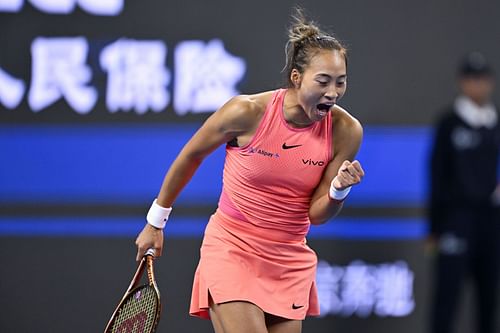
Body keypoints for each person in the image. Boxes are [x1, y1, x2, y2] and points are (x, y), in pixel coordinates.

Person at [135, 8, 364, 333]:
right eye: (323, 81)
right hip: (233, 247)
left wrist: (338, 190)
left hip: (288, 258)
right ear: (297, 79)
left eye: (340, 82)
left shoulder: (346, 130)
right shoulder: (246, 112)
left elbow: (316, 214)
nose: (333, 92)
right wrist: (155, 222)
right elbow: (191, 156)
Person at [428, 51, 500, 333]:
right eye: (472, 79)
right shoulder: (449, 123)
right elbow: (436, 176)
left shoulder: (495, 124)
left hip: (490, 222)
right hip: (455, 221)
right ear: (462, 82)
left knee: (488, 299)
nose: (478, 85)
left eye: (482, 79)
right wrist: (434, 228)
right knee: (447, 298)